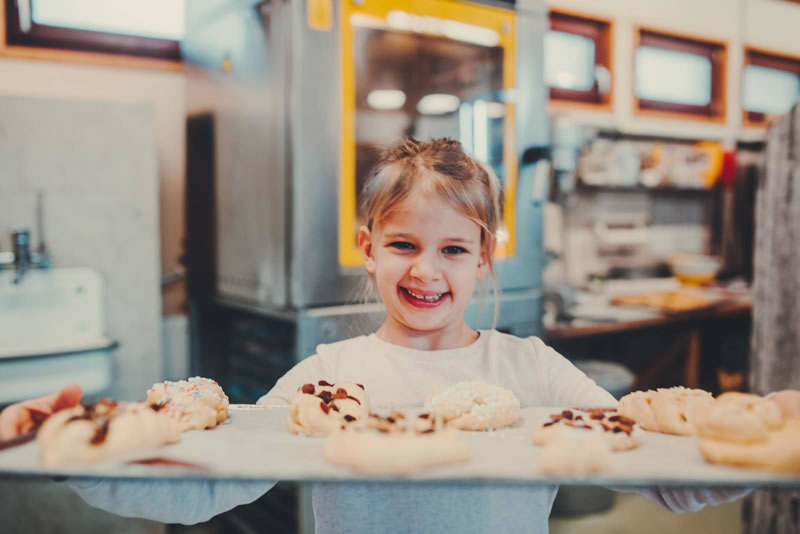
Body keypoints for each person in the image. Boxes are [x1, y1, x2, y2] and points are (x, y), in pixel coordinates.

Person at [0, 138, 780, 532]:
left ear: (485, 256)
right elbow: (211, 485)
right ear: (367, 249)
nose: (427, 271)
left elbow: (668, 476)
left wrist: (769, 447)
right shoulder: (329, 376)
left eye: (453, 249)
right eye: (404, 244)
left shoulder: (530, 370)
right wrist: (64, 456)